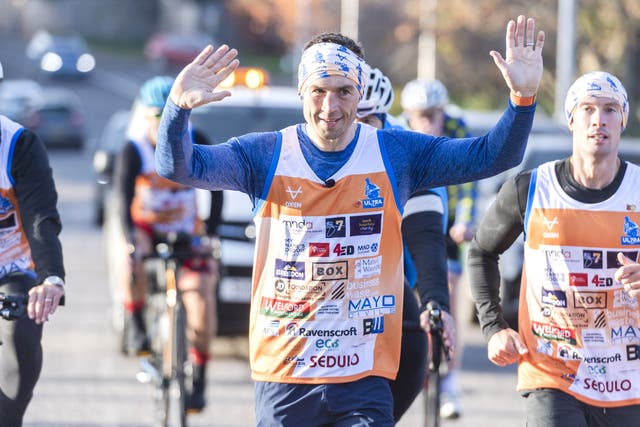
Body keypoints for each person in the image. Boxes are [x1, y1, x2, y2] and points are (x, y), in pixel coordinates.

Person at [156, 15, 544, 426]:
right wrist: (177, 110)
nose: (330, 106)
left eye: (343, 92)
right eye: (318, 91)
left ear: (359, 95)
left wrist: (523, 98)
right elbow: (179, 166)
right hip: (286, 375)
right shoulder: (267, 154)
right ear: (303, 91)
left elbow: (492, 155)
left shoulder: (396, 152)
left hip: (363, 376)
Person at [467, 71, 640, 426]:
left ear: (622, 120)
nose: (598, 120)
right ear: (571, 119)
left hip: (628, 377)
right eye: (588, 109)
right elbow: (482, 251)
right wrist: (494, 327)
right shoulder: (531, 187)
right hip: (552, 372)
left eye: (609, 110)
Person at [112, 76, 222, 412]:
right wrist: (130, 239)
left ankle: (199, 376)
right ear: (143, 115)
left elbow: (216, 189)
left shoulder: (196, 139)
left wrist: (210, 234)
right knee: (131, 256)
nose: (161, 123)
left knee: (201, 299)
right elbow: (121, 198)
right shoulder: (133, 149)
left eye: (168, 115)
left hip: (187, 231)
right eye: (155, 115)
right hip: (147, 225)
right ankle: (137, 323)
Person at [355, 66, 450, 422]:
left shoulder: (406, 150)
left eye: (368, 120)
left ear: (383, 116)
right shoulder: (326, 142)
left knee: (413, 355)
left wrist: (433, 301)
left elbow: (426, 239)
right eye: (353, 120)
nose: (359, 130)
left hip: (397, 271)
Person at [400, 77, 477, 419]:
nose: (428, 122)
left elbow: (469, 183)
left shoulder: (458, 131)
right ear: (408, 115)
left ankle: (450, 381)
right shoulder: (398, 134)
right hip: (410, 219)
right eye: (420, 115)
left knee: (447, 294)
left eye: (434, 114)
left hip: (446, 221)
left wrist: (465, 222)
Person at [0, 61, 66, 427]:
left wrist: (51, 278)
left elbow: (41, 218)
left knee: (19, 331)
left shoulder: (18, 144)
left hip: (12, 267)